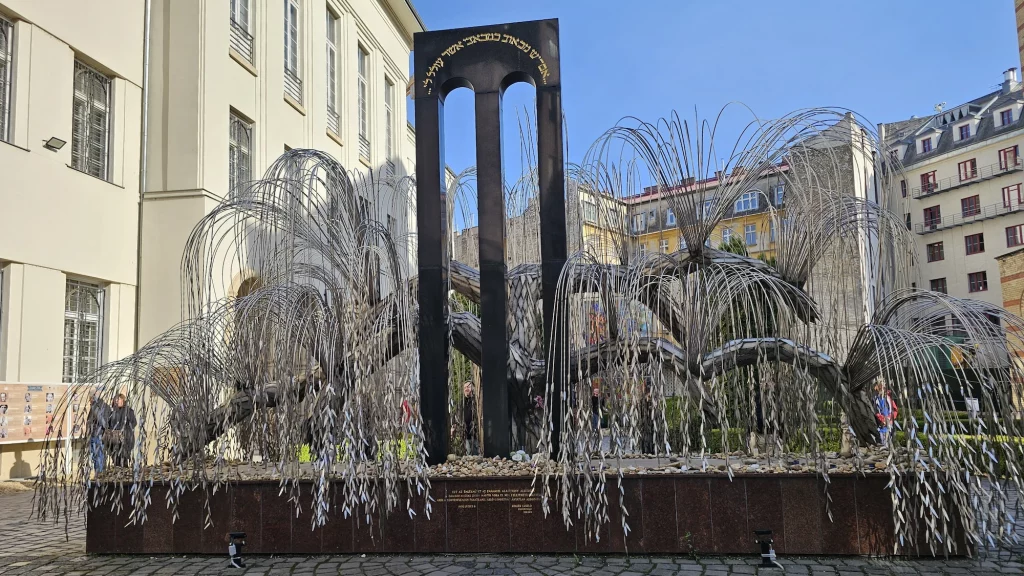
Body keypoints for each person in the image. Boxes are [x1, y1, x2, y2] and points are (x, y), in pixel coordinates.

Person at [108, 393, 137, 467]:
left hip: (125, 439)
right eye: (115, 400)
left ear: (123, 400)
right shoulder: (112, 412)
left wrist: (124, 431)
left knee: (123, 459)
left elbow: (133, 423)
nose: (116, 401)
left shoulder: (128, 411)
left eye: (118, 400)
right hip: (114, 440)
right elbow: (110, 425)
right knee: (116, 460)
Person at [88, 390, 110, 474]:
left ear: (92, 398)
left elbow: (102, 421)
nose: (89, 400)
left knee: (98, 457)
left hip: (97, 435)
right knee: (99, 456)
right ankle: (100, 475)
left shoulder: (96, 407)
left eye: (90, 398)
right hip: (99, 434)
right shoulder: (105, 406)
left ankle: (99, 477)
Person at [462, 381, 478, 456]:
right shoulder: (462, 402)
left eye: (468, 387)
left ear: (473, 388)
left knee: (477, 454)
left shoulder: (476, 400)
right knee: (469, 455)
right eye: (465, 387)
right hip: (467, 434)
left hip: (476, 434)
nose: (466, 389)